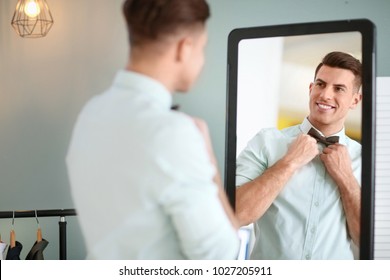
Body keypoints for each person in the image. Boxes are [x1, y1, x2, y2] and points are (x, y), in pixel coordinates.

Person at [66, 0, 239, 260]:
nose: (202, 60)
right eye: (202, 48)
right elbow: (219, 256)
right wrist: (210, 162)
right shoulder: (172, 133)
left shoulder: (90, 114)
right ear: (185, 48)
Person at [235, 51, 362, 259]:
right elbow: (235, 214)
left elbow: (370, 241)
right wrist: (289, 163)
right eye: (320, 84)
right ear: (311, 88)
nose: (325, 95)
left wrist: (346, 178)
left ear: (355, 100)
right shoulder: (267, 142)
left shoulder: (367, 160)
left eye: (339, 89)